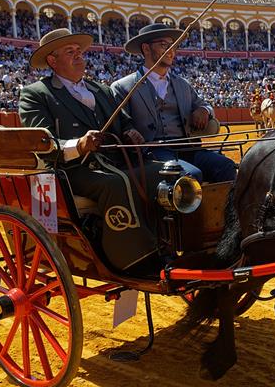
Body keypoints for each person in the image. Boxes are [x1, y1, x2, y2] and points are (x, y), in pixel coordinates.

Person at [18, 28, 166, 275]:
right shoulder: (35, 94)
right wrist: (79, 145)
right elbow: (41, 141)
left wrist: (131, 132)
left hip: (113, 160)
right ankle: (132, 258)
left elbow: (124, 121)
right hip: (70, 170)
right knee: (115, 184)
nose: (79, 56)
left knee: (161, 172)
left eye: (79, 51)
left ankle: (166, 242)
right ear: (52, 61)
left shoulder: (101, 90)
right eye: (70, 52)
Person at [111, 23, 236, 183]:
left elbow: (205, 105)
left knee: (226, 166)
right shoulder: (123, 87)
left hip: (188, 148)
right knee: (190, 175)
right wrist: (129, 131)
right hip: (152, 152)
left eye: (173, 45)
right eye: (163, 45)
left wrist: (204, 110)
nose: (171, 50)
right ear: (146, 48)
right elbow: (121, 123)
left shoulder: (182, 84)